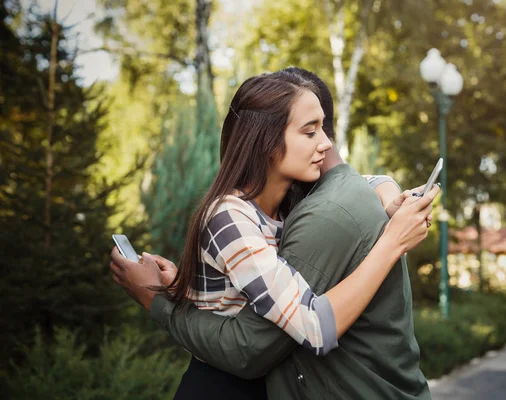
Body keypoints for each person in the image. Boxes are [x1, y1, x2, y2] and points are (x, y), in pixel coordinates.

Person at [110, 68, 436, 399]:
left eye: (323, 128)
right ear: (265, 141)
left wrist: (386, 191)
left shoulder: (285, 203)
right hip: (223, 387)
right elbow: (317, 328)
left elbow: (350, 185)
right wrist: (392, 242)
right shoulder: (229, 216)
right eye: (310, 132)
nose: (326, 143)